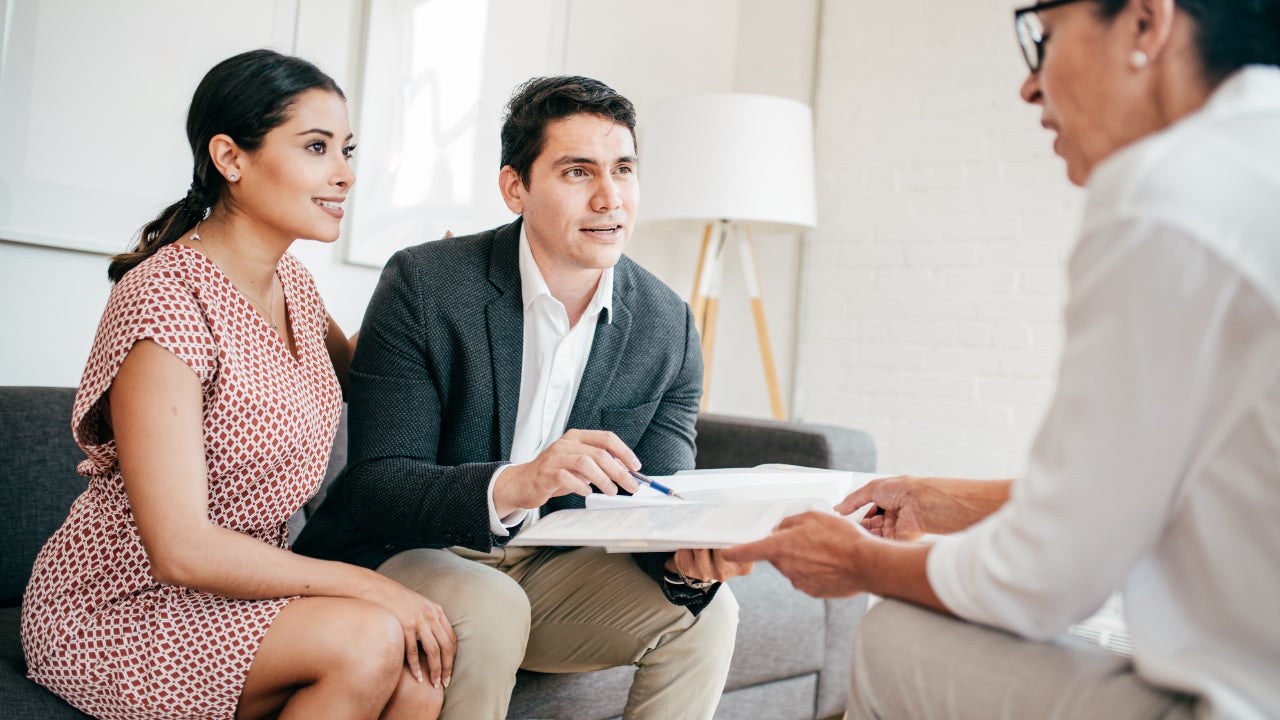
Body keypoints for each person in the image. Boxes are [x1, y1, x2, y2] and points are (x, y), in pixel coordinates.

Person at [724, 0, 1280, 717]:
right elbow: (1130, 492)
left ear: (1144, 24)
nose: (1030, 85)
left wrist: (862, 563)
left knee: (895, 634)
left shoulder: (1164, 192)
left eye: (1042, 40)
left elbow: (1045, 580)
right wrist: (931, 498)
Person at [295, 75, 750, 719]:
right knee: (489, 602)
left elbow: (659, 499)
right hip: (403, 554)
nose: (609, 197)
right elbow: (379, 488)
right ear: (516, 187)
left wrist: (688, 564)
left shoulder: (667, 324)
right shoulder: (425, 284)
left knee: (710, 612)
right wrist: (521, 482)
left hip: (551, 567)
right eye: (577, 172)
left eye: (623, 169)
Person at [20, 49, 453, 720]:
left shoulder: (296, 287)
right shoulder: (163, 297)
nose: (345, 174)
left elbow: (370, 374)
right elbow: (181, 549)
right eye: (317, 147)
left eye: (346, 150)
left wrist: (435, 284)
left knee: (422, 667)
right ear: (231, 157)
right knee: (371, 636)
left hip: (238, 601)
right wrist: (369, 588)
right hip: (119, 608)